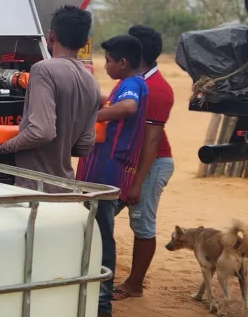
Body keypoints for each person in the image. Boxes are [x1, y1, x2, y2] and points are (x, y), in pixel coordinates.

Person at [0, 5, 100, 190]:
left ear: (51, 36)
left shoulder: (43, 69)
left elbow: (41, 132)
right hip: (65, 187)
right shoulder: (90, 80)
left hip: (35, 188)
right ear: (84, 41)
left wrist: (0, 148)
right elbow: (84, 146)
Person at [76, 34, 149, 317]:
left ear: (123, 62)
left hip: (108, 170)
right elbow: (117, 101)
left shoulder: (131, 85)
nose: (104, 66)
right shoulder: (129, 84)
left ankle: (102, 303)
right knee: (97, 230)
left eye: (107, 61)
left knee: (102, 234)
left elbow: (127, 107)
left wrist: (91, 118)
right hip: (105, 168)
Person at [112, 25, 175, 301]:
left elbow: (151, 141)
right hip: (131, 162)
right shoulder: (134, 78)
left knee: (142, 223)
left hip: (151, 163)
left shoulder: (159, 89)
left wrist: (137, 182)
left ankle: (134, 284)